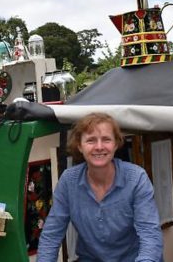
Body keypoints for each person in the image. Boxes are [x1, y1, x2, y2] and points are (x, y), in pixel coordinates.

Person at [37, 112, 163, 262]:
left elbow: (150, 235)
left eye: (106, 139)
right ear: (79, 146)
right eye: (91, 140)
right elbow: (51, 235)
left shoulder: (136, 178)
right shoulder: (68, 181)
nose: (99, 147)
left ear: (116, 144)